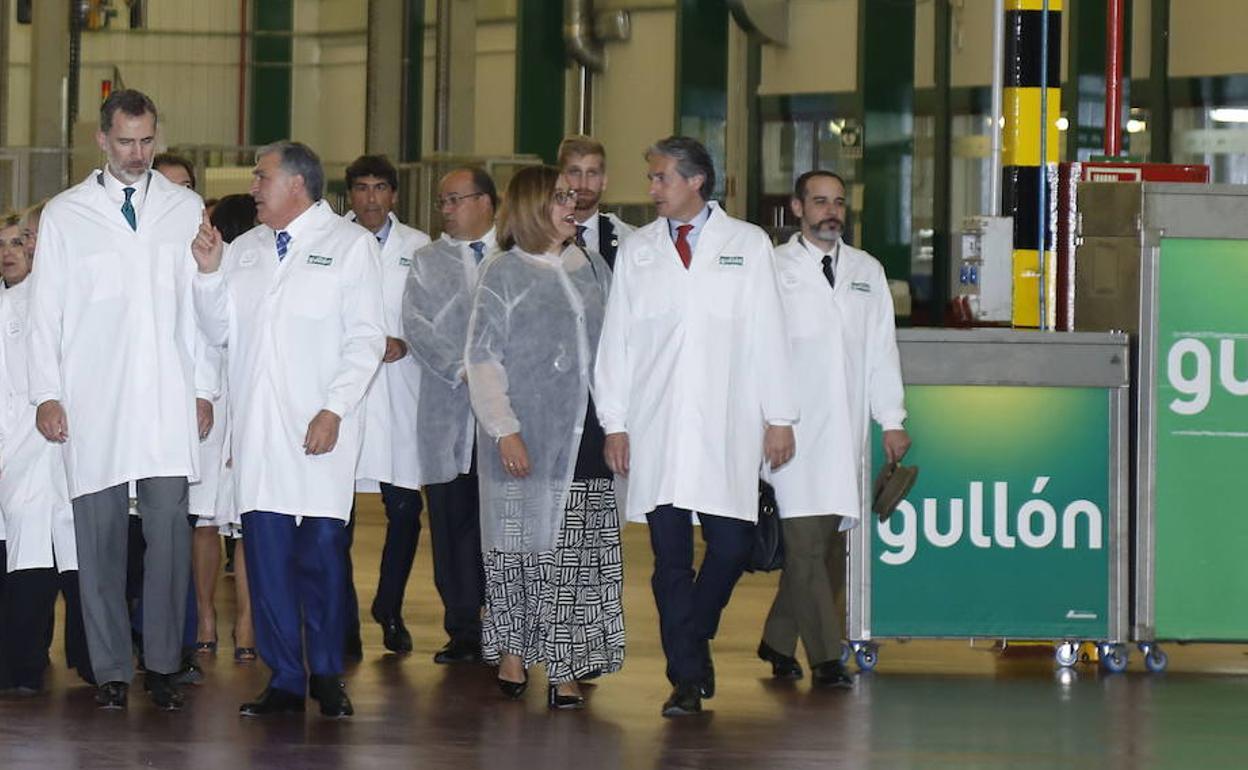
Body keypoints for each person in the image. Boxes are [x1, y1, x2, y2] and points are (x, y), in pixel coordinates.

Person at [594, 136, 797, 717]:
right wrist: (615, 421)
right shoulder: (640, 251)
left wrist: (779, 417)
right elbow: (618, 342)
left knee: (732, 547)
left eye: (660, 178)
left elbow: (769, 337)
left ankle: (693, 633)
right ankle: (684, 676)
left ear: (695, 181)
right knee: (670, 562)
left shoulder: (747, 245)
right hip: (655, 427)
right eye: (652, 178)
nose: (651, 189)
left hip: (727, 426)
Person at [26, 89, 211, 711]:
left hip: (166, 398)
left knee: (168, 535)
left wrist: (205, 388)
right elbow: (44, 311)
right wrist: (47, 394)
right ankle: (109, 667)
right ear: (102, 140)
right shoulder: (66, 215)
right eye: (126, 142)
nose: (138, 154)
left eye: (147, 141)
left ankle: (162, 662)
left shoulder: (185, 208)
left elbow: (202, 306)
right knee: (98, 539)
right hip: (94, 400)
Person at [191, 141, 385, 718]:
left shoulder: (349, 247)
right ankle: (284, 677)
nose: (252, 185)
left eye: (261, 176)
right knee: (267, 559)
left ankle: (326, 673)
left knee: (322, 557)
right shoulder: (244, 250)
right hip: (258, 435)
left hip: (322, 429)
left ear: (298, 184)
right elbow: (219, 331)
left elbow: (366, 338)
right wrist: (206, 275)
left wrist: (334, 409)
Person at [465, 165, 624, 710]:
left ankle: (566, 665)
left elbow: (617, 350)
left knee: (575, 553)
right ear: (533, 205)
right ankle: (513, 650)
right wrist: (504, 430)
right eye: (559, 195)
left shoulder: (592, 267)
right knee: (519, 549)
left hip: (585, 432)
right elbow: (482, 358)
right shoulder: (503, 272)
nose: (572, 201)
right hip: (523, 435)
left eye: (572, 195)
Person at [759, 170, 909, 688]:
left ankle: (778, 639)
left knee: (829, 548)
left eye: (839, 202)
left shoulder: (867, 270)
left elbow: (881, 354)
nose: (832, 212)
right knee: (804, 546)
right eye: (820, 202)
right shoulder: (771, 270)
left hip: (845, 436)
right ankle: (826, 659)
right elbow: (758, 354)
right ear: (797, 208)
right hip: (790, 433)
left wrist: (891, 420)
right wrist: (767, 421)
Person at [400, 167, 496, 665]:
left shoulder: (518, 255)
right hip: (447, 411)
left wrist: (495, 379)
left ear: (485, 202)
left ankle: (505, 624)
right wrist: (465, 370)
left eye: (453, 200)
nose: (446, 210)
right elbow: (415, 325)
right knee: (450, 520)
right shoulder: (426, 261)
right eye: (442, 202)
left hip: (506, 420)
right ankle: (462, 627)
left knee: (498, 525)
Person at [0, 214, 92, 693]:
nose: (10, 251)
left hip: (49, 442)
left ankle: (79, 660)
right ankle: (23, 662)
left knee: (62, 553)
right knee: (27, 555)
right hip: (14, 445)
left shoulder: (53, 301)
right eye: (2, 244)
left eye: (19, 241)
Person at [344, 155, 431, 656]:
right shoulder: (330, 244)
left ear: (394, 195)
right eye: (362, 188)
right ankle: (343, 618)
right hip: (350, 397)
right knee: (339, 514)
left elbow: (434, 320)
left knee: (404, 509)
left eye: (380, 188)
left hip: (401, 392)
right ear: (349, 195)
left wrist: (406, 343)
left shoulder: (419, 249)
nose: (372, 198)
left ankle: (389, 606)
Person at [190, 194, 259, 664]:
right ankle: (205, 616)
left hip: (246, 400)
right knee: (206, 517)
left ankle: (248, 623)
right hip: (206, 401)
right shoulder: (202, 267)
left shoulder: (251, 267)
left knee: (249, 522)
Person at [557, 135, 634, 268]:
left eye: (592, 173)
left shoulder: (627, 240)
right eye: (575, 172)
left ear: (604, 181)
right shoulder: (540, 238)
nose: (583, 183)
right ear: (560, 178)